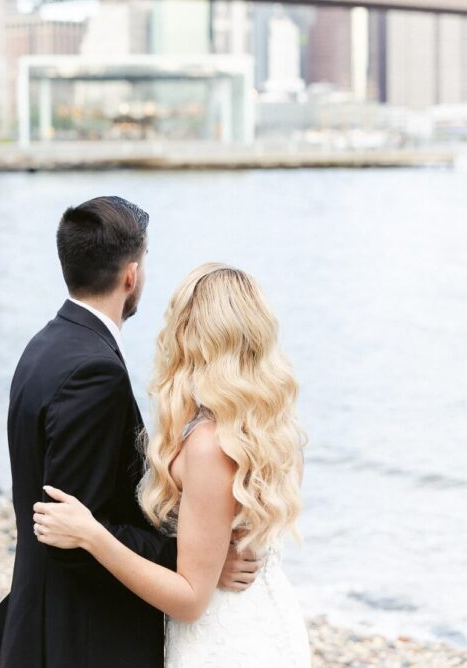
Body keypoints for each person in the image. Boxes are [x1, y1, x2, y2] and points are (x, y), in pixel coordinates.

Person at [0, 198, 263, 667]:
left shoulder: (45, 345)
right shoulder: (95, 371)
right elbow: (69, 530)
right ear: (131, 274)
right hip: (84, 635)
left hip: (47, 614)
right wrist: (193, 559)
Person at [33, 262, 311, 667]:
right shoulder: (273, 427)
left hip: (223, 642)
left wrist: (92, 535)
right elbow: (217, 546)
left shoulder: (209, 445)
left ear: (190, 334)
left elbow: (190, 599)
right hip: (269, 623)